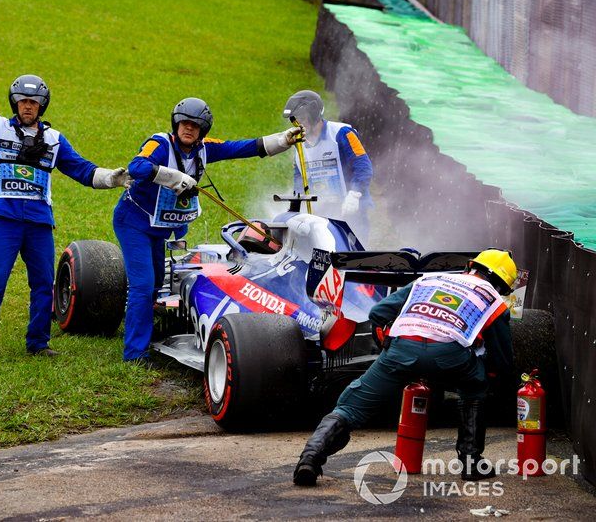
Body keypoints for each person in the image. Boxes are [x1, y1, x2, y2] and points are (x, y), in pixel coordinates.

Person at [293, 249, 517, 485]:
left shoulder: (427, 280)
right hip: (450, 356)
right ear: (501, 285)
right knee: (475, 387)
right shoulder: (494, 301)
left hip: (402, 349)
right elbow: (502, 360)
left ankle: (309, 459)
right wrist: (488, 377)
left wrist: (386, 347)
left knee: (350, 406)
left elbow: (377, 313)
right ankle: (472, 462)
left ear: (471, 266)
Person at [0, 61, 130, 358]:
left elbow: (81, 169)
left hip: (39, 222)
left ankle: (38, 343)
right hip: (3, 219)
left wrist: (110, 178)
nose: (28, 107)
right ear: (15, 102)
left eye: (33, 102)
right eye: (23, 101)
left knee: (42, 284)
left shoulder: (54, 140)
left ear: (41, 106)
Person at [113, 97, 303, 363]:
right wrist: (174, 177)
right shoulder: (159, 143)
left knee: (156, 283)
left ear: (203, 130)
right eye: (184, 123)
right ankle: (135, 354)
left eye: (195, 125)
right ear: (176, 124)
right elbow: (137, 167)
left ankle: (143, 325)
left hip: (159, 228)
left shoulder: (204, 149)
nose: (189, 129)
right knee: (144, 286)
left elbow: (241, 147)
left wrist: (283, 139)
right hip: (133, 222)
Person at [282, 90, 373, 243]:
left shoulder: (342, 133)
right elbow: (299, 176)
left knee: (353, 255)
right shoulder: (299, 143)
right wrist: (298, 206)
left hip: (351, 207)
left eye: (302, 119)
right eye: (295, 120)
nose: (298, 124)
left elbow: (364, 167)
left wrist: (354, 194)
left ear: (314, 115)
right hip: (322, 212)